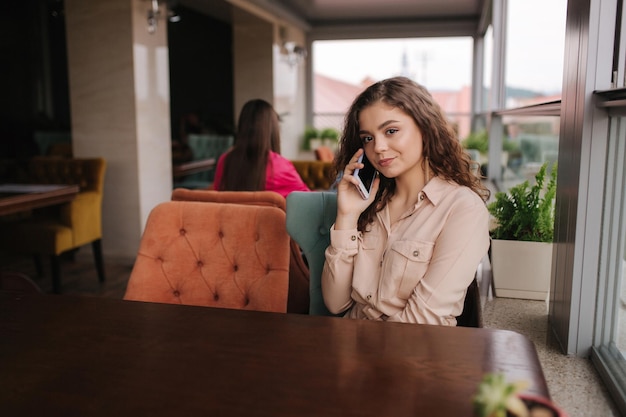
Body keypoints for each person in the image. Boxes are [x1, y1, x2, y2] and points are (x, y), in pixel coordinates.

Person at [321, 76, 490, 325]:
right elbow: (336, 303)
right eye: (368, 138)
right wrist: (347, 216)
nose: (378, 147)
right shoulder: (370, 204)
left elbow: (423, 317)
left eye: (391, 131)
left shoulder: (462, 208)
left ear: (425, 128)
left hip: (412, 349)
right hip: (350, 342)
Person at [213, 99, 310, 198]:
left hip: (232, 213)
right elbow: (309, 202)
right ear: (272, 130)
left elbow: (218, 196)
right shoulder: (281, 165)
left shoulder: (225, 161)